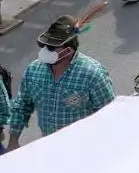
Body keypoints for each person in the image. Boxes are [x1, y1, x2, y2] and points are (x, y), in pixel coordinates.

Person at [6, 12, 114, 149]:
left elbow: (109, 113)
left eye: (51, 47)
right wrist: (13, 140)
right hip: (48, 146)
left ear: (68, 51)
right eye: (44, 45)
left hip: (84, 148)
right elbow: (22, 105)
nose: (46, 50)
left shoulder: (92, 74)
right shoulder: (34, 70)